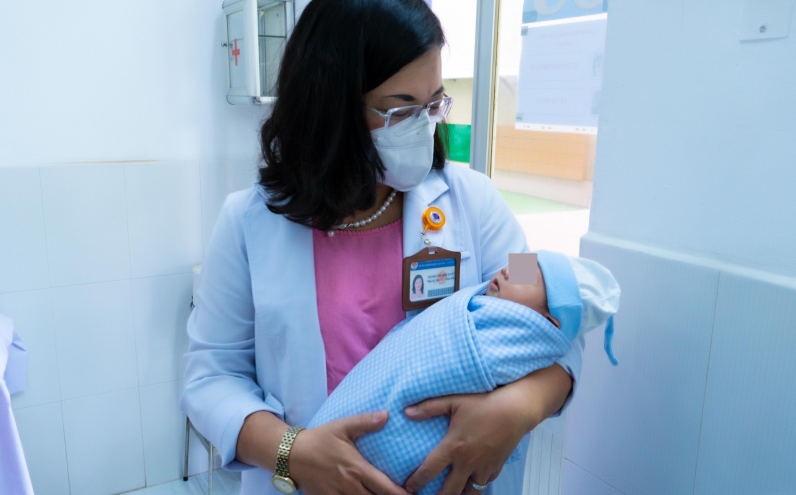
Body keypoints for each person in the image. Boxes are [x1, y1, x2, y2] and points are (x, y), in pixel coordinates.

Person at [180, 1, 584, 494]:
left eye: (433, 104)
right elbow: (211, 379)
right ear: (332, 106)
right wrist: (293, 452)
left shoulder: (477, 202)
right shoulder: (246, 223)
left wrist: (522, 405)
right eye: (400, 109)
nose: (423, 126)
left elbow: (551, 313)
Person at [308, 252, 619, 494]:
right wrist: (291, 451)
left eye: (528, 277)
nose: (508, 270)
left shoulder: (525, 330)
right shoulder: (514, 287)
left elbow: (569, 343)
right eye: (518, 265)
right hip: (309, 449)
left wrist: (522, 405)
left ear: (547, 323)